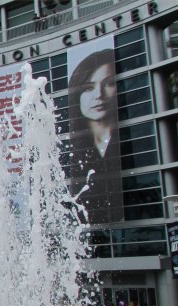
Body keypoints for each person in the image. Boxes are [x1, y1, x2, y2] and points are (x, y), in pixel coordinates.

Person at [66, 49, 122, 224]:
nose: (98, 95)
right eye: (89, 88)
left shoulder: (134, 144)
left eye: (108, 84)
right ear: (77, 95)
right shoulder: (71, 153)